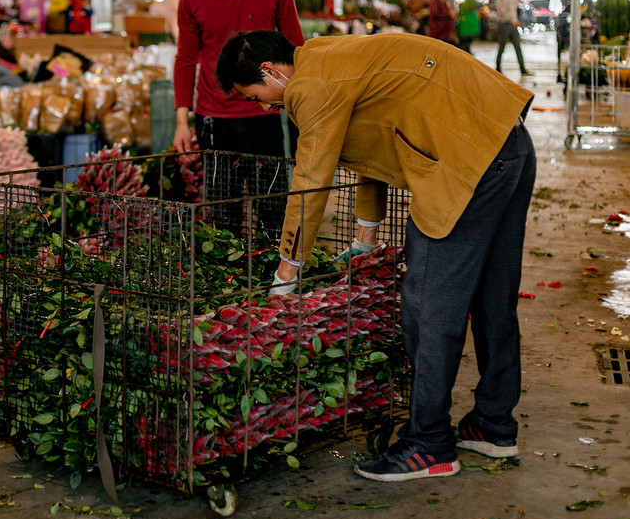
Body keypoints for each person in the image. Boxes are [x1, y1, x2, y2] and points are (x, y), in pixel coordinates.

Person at [215, 30, 535, 483]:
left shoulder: (308, 88)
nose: (265, 107)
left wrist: (287, 272)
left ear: (270, 71)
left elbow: (311, 174)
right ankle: (494, 425)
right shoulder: (326, 55)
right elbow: (371, 143)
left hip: (467, 161)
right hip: (508, 140)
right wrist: (366, 236)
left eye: (257, 96)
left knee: (427, 306)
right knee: (492, 295)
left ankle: (428, 444)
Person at [172, 0, 305, 231]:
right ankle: (226, 279)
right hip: (213, 119)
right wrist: (181, 120)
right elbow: (186, 59)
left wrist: (302, 111)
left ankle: (276, 273)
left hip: (264, 115)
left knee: (272, 208)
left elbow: (297, 51)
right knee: (221, 213)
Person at [494, 0, 533, 76]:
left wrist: (516, 20)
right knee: (501, 48)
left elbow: (514, 10)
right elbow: (502, 11)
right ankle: (497, 69)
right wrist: (513, 20)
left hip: (513, 25)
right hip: (504, 24)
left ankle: (523, 69)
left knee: (517, 46)